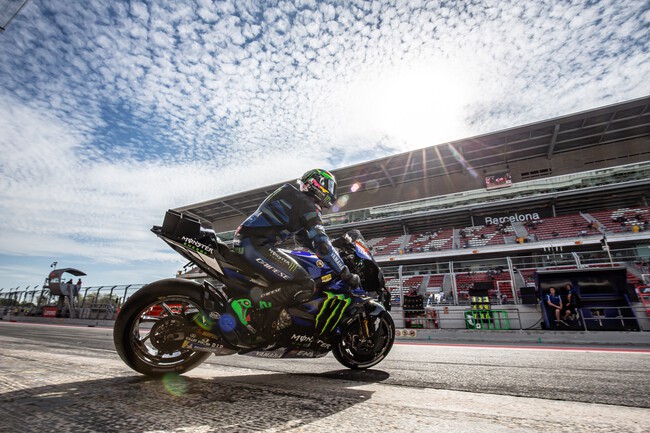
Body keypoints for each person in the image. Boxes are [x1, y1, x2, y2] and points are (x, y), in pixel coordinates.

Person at [233, 168, 360, 341]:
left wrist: (332, 254)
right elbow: (322, 246)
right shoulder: (306, 204)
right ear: (317, 185)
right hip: (256, 244)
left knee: (291, 275)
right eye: (329, 187)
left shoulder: (296, 199)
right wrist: (345, 273)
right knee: (304, 283)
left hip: (250, 242)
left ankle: (264, 319)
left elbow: (304, 239)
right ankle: (249, 304)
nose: (331, 192)